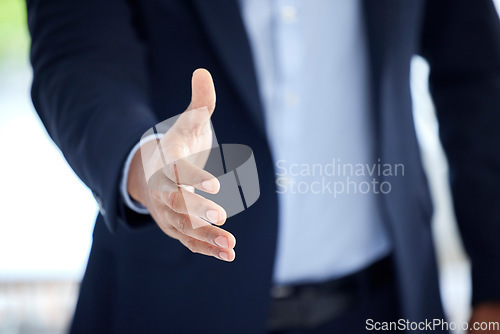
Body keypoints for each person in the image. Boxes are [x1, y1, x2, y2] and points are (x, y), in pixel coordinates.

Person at [26, 0, 500, 333]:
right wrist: (143, 160)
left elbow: (475, 71)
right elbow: (77, 50)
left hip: (390, 304)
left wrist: (494, 285)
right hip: (169, 303)